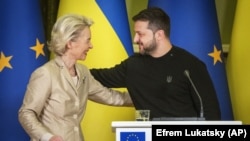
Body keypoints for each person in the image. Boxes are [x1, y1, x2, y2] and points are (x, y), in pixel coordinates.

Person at [90, 7, 221, 120]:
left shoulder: (190, 65)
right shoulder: (133, 65)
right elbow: (98, 77)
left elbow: (210, 112)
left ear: (159, 35)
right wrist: (71, 66)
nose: (135, 39)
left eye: (140, 34)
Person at [18, 14, 133, 141]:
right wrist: (48, 137)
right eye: (87, 40)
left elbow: (111, 97)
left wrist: (143, 97)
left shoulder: (83, 72)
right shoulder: (46, 73)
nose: (91, 46)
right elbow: (26, 113)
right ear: (70, 43)